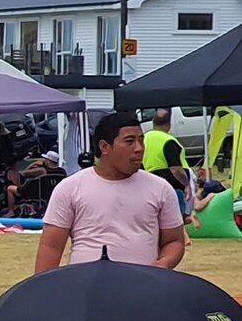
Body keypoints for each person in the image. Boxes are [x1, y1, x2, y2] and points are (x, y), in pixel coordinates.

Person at [35, 112, 185, 271]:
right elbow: (51, 246)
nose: (139, 149)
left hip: (141, 285)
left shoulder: (160, 188)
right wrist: (43, 288)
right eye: (129, 142)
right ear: (104, 147)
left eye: (141, 141)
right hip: (86, 285)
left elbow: (174, 241)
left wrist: (164, 263)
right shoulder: (70, 188)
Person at [154, 138, 200, 225]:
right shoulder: (168, 140)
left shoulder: (145, 139)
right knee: (177, 219)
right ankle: (188, 221)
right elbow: (175, 169)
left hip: (155, 187)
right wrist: (186, 184)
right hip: (174, 187)